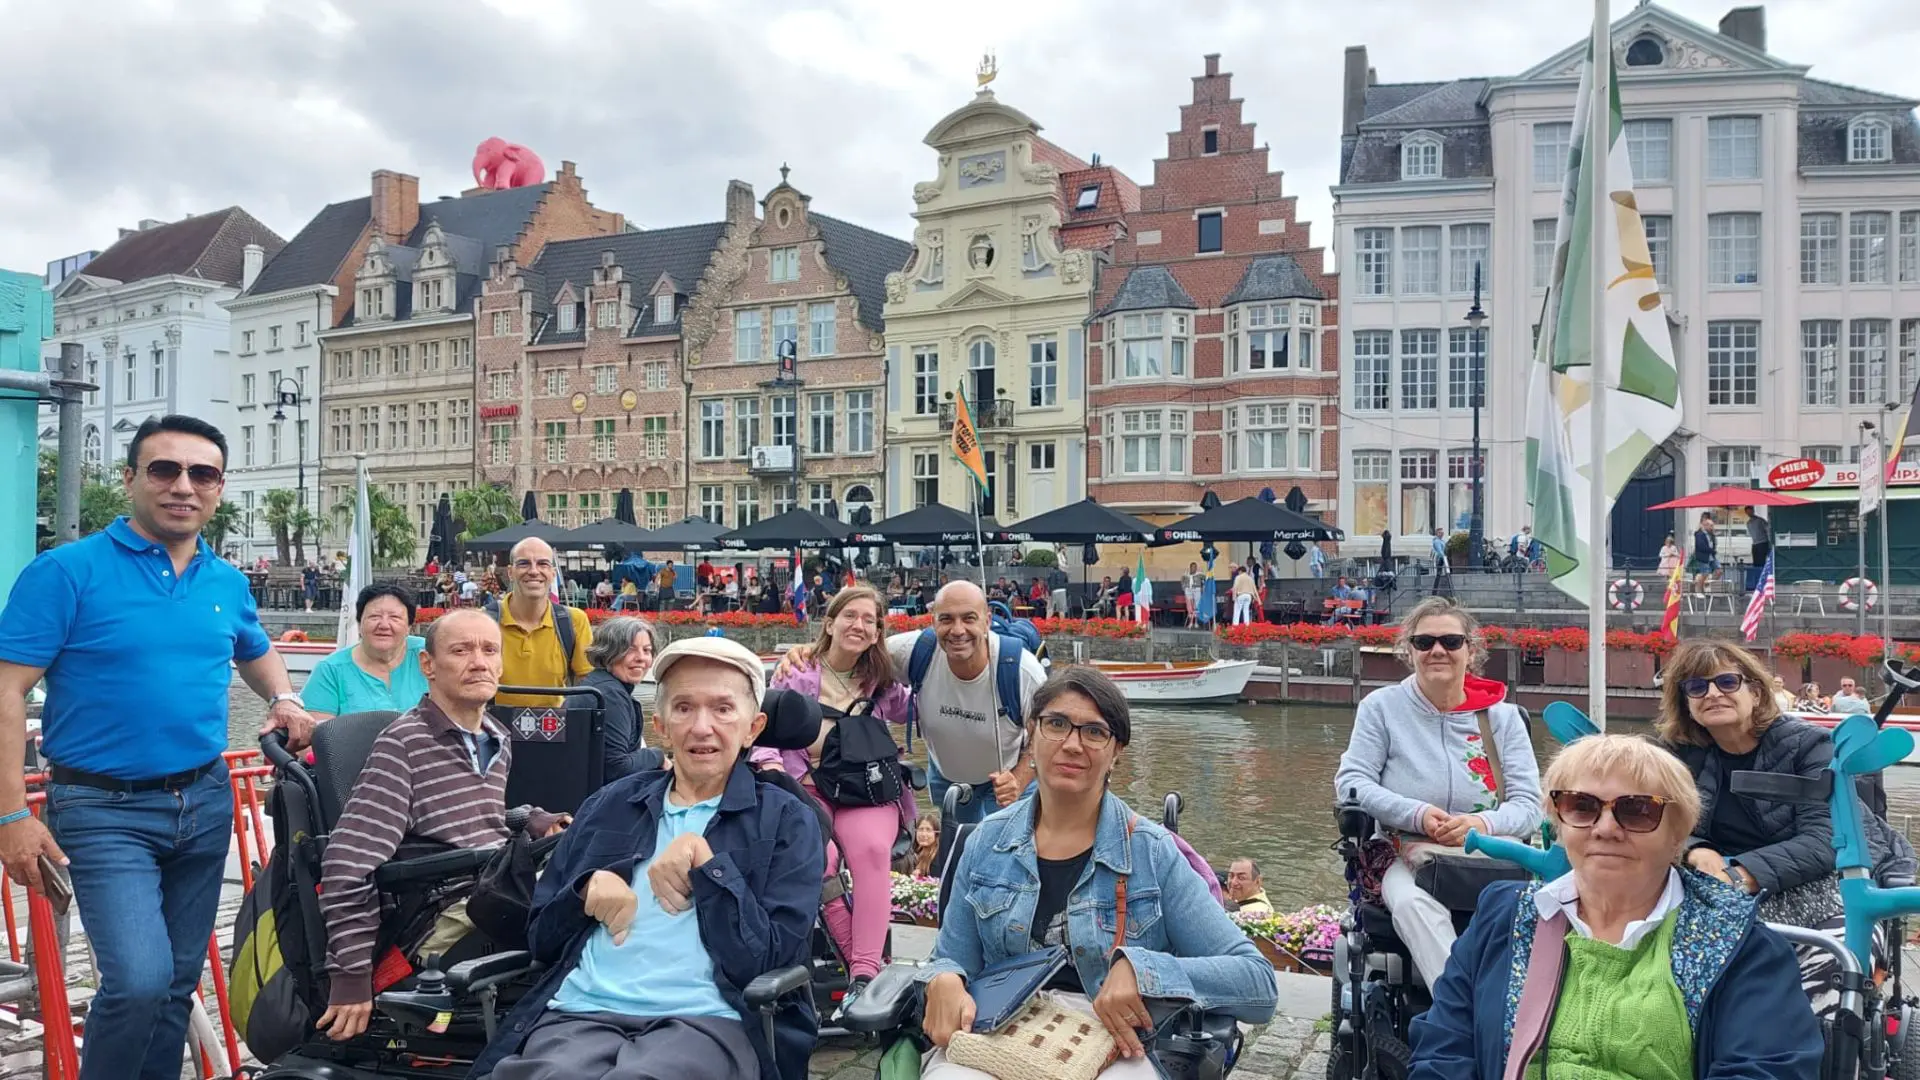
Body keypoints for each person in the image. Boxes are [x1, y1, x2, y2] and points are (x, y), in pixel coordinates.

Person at [0, 414, 316, 1080]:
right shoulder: (65, 572)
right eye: (164, 470)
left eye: (202, 473)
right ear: (131, 479)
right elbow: (4, 695)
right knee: (139, 981)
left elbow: (255, 653)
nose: (183, 486)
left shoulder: (224, 581)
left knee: (175, 985)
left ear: (219, 488)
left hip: (203, 803)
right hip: (101, 808)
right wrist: (11, 817)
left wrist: (284, 698)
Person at [471, 637, 827, 1080]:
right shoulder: (610, 804)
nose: (701, 727)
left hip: (705, 1020)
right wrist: (583, 891)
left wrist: (709, 868)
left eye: (722, 709)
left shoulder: (787, 820)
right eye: (683, 708)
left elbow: (770, 960)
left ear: (753, 727)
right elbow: (542, 938)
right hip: (581, 1013)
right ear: (660, 724)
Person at [916, 667, 1279, 1076]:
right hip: (1001, 1033)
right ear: (1031, 736)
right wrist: (944, 978)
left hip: (1113, 1042)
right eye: (1056, 724)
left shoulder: (1152, 853)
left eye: (1094, 732)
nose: (1072, 744)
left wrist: (1144, 971)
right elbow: (951, 956)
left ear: (1116, 751)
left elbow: (1257, 984)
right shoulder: (986, 842)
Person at [1408, 735, 1823, 1080]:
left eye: (1638, 810)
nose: (1606, 829)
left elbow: (1764, 1070)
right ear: (1559, 821)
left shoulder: (1742, 946)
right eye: (1582, 806)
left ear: (1679, 835)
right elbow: (1444, 1049)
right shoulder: (1505, 917)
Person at [316, 609, 565, 1042]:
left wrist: (530, 820)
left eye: (489, 650)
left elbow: (461, 822)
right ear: (427, 665)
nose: (479, 662)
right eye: (461, 650)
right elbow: (347, 864)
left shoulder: (495, 737)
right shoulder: (404, 745)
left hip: (488, 886)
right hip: (439, 915)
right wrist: (351, 978)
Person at [1659, 639, 1914, 1014]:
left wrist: (1739, 875)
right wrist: (1696, 848)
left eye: (1726, 682)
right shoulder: (1677, 754)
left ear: (1756, 690)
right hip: (1714, 891)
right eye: (1697, 687)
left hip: (1824, 888)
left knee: (1828, 974)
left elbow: (1824, 840)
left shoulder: (1811, 746)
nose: (1712, 693)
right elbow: (1658, 820)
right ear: (1686, 703)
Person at [1332, 597, 1543, 989]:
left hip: (1490, 854)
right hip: (1406, 849)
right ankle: (1462, 1011)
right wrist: (1417, 814)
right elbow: (1352, 782)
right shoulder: (1382, 708)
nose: (1437, 651)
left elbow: (1531, 806)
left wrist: (1481, 823)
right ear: (1409, 651)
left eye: (1450, 641)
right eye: (1424, 642)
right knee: (1413, 904)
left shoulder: (1503, 716)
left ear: (1471, 650)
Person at [751, 586, 914, 1003]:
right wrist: (769, 764)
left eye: (869, 620)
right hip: (808, 785)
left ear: (879, 632)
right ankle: (859, 962)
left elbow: (916, 709)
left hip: (865, 790)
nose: (858, 625)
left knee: (873, 851)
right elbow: (764, 721)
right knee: (816, 858)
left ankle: (863, 975)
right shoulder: (799, 670)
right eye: (850, 616)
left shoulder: (882, 680)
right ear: (830, 623)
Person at [776, 581, 1046, 826]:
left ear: (987, 621)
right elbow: (855, 650)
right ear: (933, 621)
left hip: (1004, 781)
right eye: (946, 619)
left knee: (1005, 857)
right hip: (945, 775)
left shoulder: (1021, 670)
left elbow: (1046, 730)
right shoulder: (912, 652)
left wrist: (1021, 778)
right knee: (955, 854)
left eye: (969, 619)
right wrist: (808, 652)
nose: (958, 630)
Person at [303, 583, 430, 719]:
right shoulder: (330, 670)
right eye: (374, 617)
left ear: (409, 627)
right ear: (359, 624)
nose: (384, 625)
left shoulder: (429, 654)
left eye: (395, 618)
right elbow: (320, 734)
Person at [498, 537, 594, 706]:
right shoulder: (485, 621)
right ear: (510, 572)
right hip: (493, 727)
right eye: (523, 564)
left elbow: (588, 685)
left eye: (543, 564)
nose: (534, 571)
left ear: (553, 573)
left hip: (553, 726)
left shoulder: (573, 621)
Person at [582, 616, 666, 782]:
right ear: (608, 651)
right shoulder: (611, 695)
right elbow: (618, 768)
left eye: (647, 650)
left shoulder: (595, 684)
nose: (641, 658)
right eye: (630, 649)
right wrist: (658, 756)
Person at [895, 813, 941, 877]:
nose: (923, 834)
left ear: (936, 834)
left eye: (928, 830)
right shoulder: (914, 852)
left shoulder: (938, 858)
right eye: (920, 829)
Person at [1691, 512, 1719, 593]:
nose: (1711, 527)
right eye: (1705, 519)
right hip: (1704, 555)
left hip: (1711, 555)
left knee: (1718, 570)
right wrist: (1711, 550)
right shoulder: (1699, 532)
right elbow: (1701, 545)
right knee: (1705, 572)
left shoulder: (1711, 533)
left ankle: (1707, 583)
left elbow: (1713, 542)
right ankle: (1699, 588)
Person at [1747, 507, 1772, 586]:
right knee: (1756, 563)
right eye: (1747, 512)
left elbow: (1768, 530)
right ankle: (1757, 580)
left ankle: (1763, 581)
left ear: (1753, 511)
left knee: (1761, 562)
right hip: (1755, 544)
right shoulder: (1748, 523)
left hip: (1762, 542)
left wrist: (1769, 541)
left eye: (1750, 511)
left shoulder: (1760, 520)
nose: (1749, 513)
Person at [1182, 562, 1205, 628]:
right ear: (1190, 567)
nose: (1194, 568)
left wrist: (1203, 587)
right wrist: (1184, 588)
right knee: (1190, 607)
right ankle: (1191, 622)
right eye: (1193, 567)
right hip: (1188, 590)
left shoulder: (1200, 574)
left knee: (1196, 606)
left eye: (1195, 567)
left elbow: (1205, 579)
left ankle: (1196, 622)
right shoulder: (1186, 575)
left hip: (1197, 590)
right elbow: (1182, 581)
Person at [1429, 528, 1450, 593]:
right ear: (1437, 533)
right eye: (1440, 532)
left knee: (1439, 574)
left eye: (1442, 532)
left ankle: (1435, 591)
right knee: (1438, 574)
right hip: (1439, 559)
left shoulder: (1442, 541)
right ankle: (1434, 591)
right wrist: (1444, 556)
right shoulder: (1437, 541)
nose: (1442, 534)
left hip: (1441, 559)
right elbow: (1440, 551)